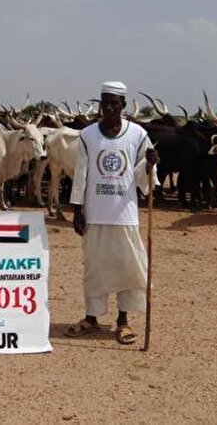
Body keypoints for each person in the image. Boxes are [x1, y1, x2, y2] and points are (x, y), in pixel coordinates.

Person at [64, 81, 158, 345]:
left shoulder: (138, 134)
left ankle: (122, 321)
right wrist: (77, 209)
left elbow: (143, 177)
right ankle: (91, 318)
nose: (109, 107)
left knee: (127, 267)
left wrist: (151, 165)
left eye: (114, 103)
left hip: (124, 213)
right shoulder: (87, 135)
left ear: (123, 105)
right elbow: (81, 173)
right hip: (95, 212)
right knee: (94, 268)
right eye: (104, 103)